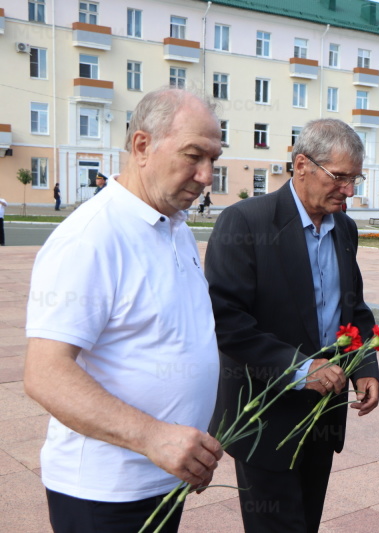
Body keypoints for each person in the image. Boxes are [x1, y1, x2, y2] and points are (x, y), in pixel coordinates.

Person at [23, 88, 224, 533]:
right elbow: (45, 374)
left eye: (214, 159)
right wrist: (154, 437)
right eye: (194, 156)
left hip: (163, 477)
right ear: (142, 145)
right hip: (104, 493)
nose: (207, 175)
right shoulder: (91, 238)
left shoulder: (175, 227)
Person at [205, 118, 379, 533]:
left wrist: (365, 367)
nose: (350, 191)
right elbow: (226, 320)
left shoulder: (345, 229)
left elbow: (352, 309)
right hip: (265, 418)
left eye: (356, 179)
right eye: (340, 177)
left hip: (323, 414)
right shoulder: (244, 223)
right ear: (302, 165)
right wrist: (301, 369)